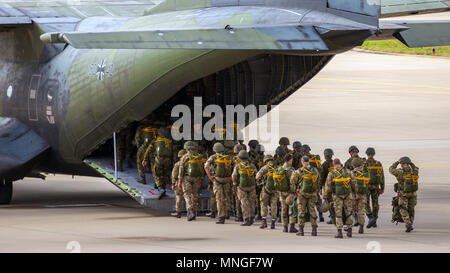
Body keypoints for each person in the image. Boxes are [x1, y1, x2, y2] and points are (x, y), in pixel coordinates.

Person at [324, 159, 354, 238]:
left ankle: (339, 232)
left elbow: (328, 186)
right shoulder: (348, 171)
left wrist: (326, 196)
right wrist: (355, 193)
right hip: (348, 195)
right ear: (340, 163)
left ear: (334, 164)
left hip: (337, 196)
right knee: (349, 212)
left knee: (338, 213)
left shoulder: (332, 173)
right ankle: (350, 231)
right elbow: (354, 183)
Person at [205, 143, 233, 224]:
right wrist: (231, 177)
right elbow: (233, 166)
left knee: (219, 198)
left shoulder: (213, 157)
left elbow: (206, 166)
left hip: (217, 179)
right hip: (227, 179)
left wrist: (210, 177)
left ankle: (221, 217)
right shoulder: (228, 157)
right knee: (226, 197)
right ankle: (227, 212)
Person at [291, 156, 320, 236]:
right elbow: (318, 181)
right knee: (312, 210)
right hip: (313, 193)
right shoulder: (315, 170)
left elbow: (293, 181)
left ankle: (301, 231)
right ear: (308, 161)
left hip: (302, 193)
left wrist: (293, 175)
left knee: (301, 211)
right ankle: (314, 230)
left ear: (302, 162)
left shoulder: (299, 171)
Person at [389, 157, 419, 232]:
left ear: (402, 164)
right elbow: (415, 167)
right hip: (413, 193)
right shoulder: (415, 171)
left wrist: (397, 162)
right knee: (411, 209)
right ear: (408, 163)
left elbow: (391, 169)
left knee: (402, 208)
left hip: (404, 193)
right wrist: (410, 162)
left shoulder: (400, 172)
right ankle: (411, 223)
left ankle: (408, 223)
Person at [178, 141, 206, 221]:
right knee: (195, 194)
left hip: (187, 178)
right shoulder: (200, 157)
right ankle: (195, 211)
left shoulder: (185, 157)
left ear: (187, 149)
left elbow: (181, 170)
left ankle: (190, 211)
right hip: (197, 178)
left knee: (187, 195)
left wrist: (179, 181)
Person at [142, 127, 173, 198]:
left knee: (157, 174)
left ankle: (160, 188)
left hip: (158, 160)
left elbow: (148, 151)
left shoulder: (155, 141)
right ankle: (163, 188)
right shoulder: (170, 141)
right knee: (164, 174)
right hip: (168, 161)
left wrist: (145, 160)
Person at [232, 150, 257, 226]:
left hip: (242, 187)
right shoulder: (252, 165)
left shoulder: (238, 166)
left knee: (244, 203)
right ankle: (252, 218)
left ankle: (246, 219)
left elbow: (234, 176)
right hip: (252, 187)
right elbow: (256, 175)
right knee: (252, 202)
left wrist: (235, 184)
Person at [274, 154, 297, 233]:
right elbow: (293, 181)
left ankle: (285, 227)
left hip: (281, 192)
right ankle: (292, 227)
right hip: (290, 192)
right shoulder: (291, 169)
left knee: (283, 209)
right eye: (292, 160)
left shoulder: (280, 168)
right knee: (291, 210)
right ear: (289, 160)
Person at [256, 155, 278, 229]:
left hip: (266, 189)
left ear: (266, 161)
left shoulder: (265, 168)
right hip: (275, 190)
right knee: (274, 206)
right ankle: (273, 223)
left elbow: (257, 176)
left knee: (263, 204)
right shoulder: (277, 168)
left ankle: (264, 222)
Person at [365, 147, 385, 228]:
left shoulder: (364, 163)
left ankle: (371, 218)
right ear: (374, 154)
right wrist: (382, 187)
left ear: (366, 154)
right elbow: (382, 176)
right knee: (375, 204)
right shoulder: (378, 163)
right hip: (376, 187)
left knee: (366, 203)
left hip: (366, 187)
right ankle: (375, 221)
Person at [134, 119, 158, 184]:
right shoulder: (155, 128)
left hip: (144, 148)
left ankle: (142, 178)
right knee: (154, 165)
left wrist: (139, 147)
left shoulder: (141, 128)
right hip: (153, 149)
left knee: (140, 162)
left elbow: (137, 139)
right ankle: (157, 182)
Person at [350, 158, 370, 234]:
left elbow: (351, 184)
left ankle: (349, 227)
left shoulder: (352, 173)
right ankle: (361, 227)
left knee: (351, 211)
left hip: (354, 195)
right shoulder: (366, 173)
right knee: (361, 211)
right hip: (363, 195)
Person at [321, 148, 335, 224]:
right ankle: (335, 216)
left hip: (327, 187)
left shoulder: (324, 165)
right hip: (336, 186)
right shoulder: (335, 163)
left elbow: (322, 177)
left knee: (329, 202)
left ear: (325, 156)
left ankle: (333, 218)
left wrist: (320, 187)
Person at [171, 149, 187, 218]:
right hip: (187, 182)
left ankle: (178, 212)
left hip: (179, 182)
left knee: (178, 196)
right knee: (188, 197)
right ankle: (190, 212)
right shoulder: (188, 163)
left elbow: (174, 175)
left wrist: (173, 183)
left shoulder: (177, 164)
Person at [232, 143, 245, 222]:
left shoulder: (234, 159)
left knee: (237, 198)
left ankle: (238, 215)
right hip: (245, 181)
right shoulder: (247, 158)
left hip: (236, 181)